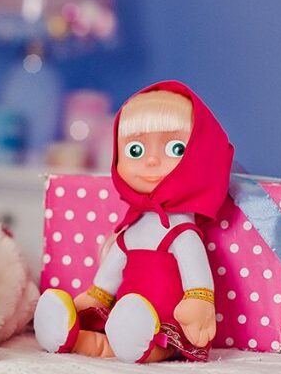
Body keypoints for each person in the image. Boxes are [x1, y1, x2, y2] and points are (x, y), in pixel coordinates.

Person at [35, 81, 231, 363]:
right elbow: (110, 273)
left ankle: (138, 340)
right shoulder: (132, 226)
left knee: (144, 334)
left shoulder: (182, 231)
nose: (151, 161)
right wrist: (96, 297)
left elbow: (196, 275)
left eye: (175, 148)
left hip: (166, 322)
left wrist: (199, 301)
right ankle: (66, 334)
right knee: (108, 337)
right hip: (123, 318)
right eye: (136, 150)